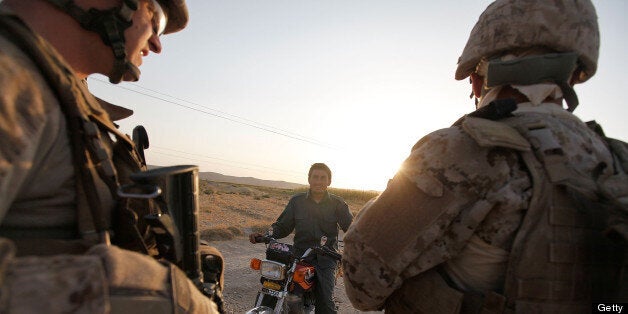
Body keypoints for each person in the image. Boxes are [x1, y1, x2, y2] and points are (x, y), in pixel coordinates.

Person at [342, 0, 628, 313]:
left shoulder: (463, 149)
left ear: (478, 78)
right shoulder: (617, 161)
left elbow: (362, 286)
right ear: (573, 77)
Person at [0, 0, 222, 312]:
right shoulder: (12, 79)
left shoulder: (57, 89)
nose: (157, 43)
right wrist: (159, 296)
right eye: (155, 18)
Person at [249, 163, 354, 314]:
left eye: (323, 178)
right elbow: (283, 226)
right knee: (273, 286)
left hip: (326, 258)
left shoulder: (337, 204)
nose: (318, 181)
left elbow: (351, 229)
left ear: (329, 181)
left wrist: (358, 247)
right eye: (315, 177)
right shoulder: (297, 201)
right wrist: (266, 235)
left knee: (325, 301)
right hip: (298, 255)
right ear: (309, 179)